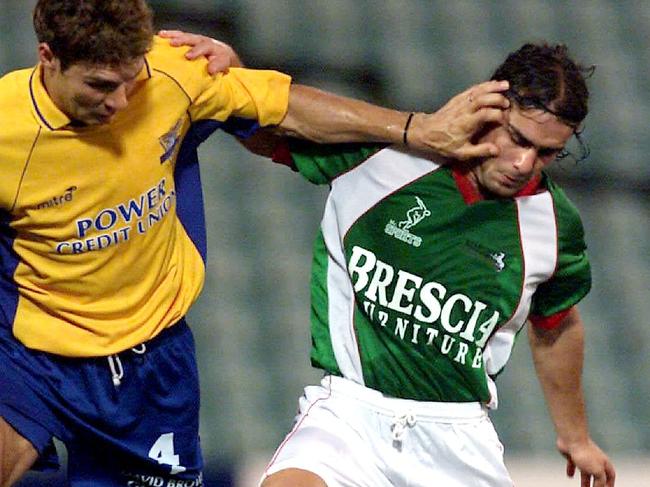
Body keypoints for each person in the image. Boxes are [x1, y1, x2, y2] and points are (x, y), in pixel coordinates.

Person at [0, 1, 509, 486]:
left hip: (151, 363)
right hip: (34, 354)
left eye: (131, 82)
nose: (119, 101)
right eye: (100, 85)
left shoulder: (173, 72)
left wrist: (418, 130)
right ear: (48, 57)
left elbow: (286, 108)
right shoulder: (7, 132)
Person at [243, 43, 616, 487]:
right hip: (350, 418)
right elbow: (261, 125)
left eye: (547, 152)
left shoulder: (555, 224)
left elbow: (557, 325)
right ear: (489, 104)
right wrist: (235, 81)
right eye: (517, 138)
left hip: (457, 441)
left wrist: (576, 438)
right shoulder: (386, 152)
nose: (523, 163)